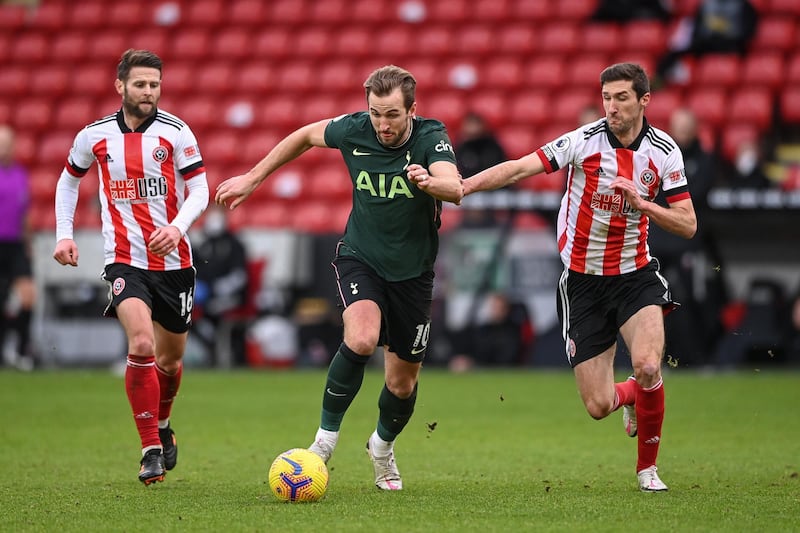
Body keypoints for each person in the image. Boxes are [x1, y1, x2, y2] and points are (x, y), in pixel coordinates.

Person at [437, 63, 698, 491]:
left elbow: (688, 225)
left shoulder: (664, 151)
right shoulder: (583, 140)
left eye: (621, 98)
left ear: (644, 100)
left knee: (650, 364)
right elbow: (521, 167)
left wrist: (644, 205)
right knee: (598, 405)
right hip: (583, 283)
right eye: (606, 98)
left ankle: (647, 470)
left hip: (635, 275)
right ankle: (634, 395)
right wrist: (465, 188)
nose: (611, 107)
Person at [215, 65, 463, 490]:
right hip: (360, 257)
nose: (382, 124)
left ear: (412, 111)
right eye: (375, 113)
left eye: (391, 115)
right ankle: (324, 443)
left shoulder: (430, 136)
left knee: (401, 383)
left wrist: (429, 181)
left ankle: (381, 448)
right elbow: (303, 136)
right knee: (362, 337)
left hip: (413, 273)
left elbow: (454, 186)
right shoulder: (353, 129)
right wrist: (253, 178)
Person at [52, 49, 210, 485]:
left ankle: (162, 422)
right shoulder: (94, 136)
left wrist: (177, 229)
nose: (148, 92)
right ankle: (150, 450)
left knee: (170, 360)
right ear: (120, 86)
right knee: (141, 344)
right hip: (124, 259)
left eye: (154, 85)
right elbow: (68, 180)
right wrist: (64, 233)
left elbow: (200, 189)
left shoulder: (176, 133)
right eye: (140, 84)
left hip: (175, 262)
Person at [649, 108, 725, 366]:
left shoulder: (705, 160)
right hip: (658, 240)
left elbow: (695, 194)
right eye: (677, 126)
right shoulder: (661, 157)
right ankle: (655, 358)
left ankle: (696, 358)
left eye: (686, 126)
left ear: (695, 129)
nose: (681, 132)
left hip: (688, 242)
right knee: (651, 303)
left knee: (690, 299)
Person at [192, 204, 249, 366]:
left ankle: (215, 350)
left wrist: (220, 288)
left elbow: (240, 276)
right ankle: (206, 343)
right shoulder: (203, 244)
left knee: (212, 309)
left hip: (231, 296)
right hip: (206, 295)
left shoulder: (234, 244)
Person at [0, 124, 36, 370]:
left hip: (15, 245)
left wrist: (28, 242)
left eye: (8, 143)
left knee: (27, 297)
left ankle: (23, 350)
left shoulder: (20, 174)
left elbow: (24, 214)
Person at [655, 0, 758, 85]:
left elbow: (747, 32)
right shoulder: (706, 5)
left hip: (731, 45)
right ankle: (657, 81)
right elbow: (697, 28)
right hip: (707, 43)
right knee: (675, 53)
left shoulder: (744, 6)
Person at [455, 111, 508, 228]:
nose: (470, 129)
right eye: (468, 125)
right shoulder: (461, 148)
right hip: (468, 192)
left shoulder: (492, 147)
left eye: (474, 125)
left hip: (490, 192)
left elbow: (498, 173)